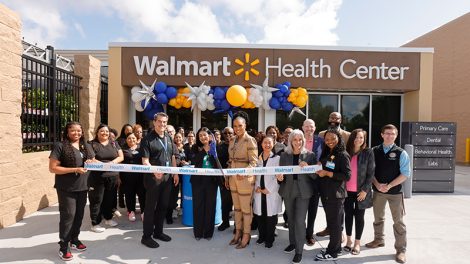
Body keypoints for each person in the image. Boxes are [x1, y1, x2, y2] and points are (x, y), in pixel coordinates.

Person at [49, 122, 95, 261]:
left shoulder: (85, 145)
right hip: (66, 188)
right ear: (67, 132)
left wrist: (94, 162)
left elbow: (92, 159)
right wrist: (75, 169)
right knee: (68, 216)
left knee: (79, 216)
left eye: (79, 131)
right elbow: (53, 168)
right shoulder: (60, 146)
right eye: (73, 131)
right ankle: (64, 247)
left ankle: (74, 240)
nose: (76, 133)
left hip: (83, 186)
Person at [365, 124, 410, 264]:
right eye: (387, 133)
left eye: (393, 134)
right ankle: (379, 240)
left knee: (399, 222)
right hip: (378, 191)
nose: (390, 136)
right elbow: (369, 171)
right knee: (378, 218)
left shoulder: (401, 153)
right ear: (382, 135)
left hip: (395, 193)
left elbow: (405, 174)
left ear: (396, 136)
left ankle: (401, 250)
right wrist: (377, 184)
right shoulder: (374, 151)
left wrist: (389, 185)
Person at [140, 112, 179, 249]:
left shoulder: (168, 137)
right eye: (160, 122)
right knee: (150, 208)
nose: (162, 124)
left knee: (163, 206)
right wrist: (153, 170)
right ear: (154, 122)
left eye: (164, 122)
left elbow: (172, 156)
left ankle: (158, 232)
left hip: (167, 177)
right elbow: (145, 161)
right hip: (153, 179)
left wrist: (175, 173)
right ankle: (146, 236)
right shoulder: (147, 139)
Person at [277, 129, 316, 264]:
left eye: (300, 140)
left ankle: (299, 251)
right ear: (290, 141)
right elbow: (280, 175)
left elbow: (315, 176)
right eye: (295, 139)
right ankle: (292, 242)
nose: (298, 142)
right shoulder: (284, 155)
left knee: (299, 220)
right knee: (291, 219)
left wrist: (308, 167)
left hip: (303, 191)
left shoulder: (310, 155)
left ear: (303, 141)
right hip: (288, 189)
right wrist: (279, 177)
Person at [315, 129, 351, 261]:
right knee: (332, 223)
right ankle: (336, 248)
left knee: (335, 224)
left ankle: (333, 252)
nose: (330, 141)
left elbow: (347, 175)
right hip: (326, 193)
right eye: (327, 139)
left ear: (339, 138)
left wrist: (328, 173)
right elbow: (327, 167)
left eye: (332, 138)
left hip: (336, 195)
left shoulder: (343, 154)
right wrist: (320, 165)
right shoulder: (328, 152)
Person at [317, 112, 351, 237]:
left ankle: (338, 234)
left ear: (341, 120)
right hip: (326, 182)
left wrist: (330, 172)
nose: (334, 120)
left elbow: (347, 173)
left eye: (337, 118)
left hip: (338, 179)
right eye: (331, 117)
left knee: (337, 212)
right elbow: (323, 152)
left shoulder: (347, 135)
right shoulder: (321, 134)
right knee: (329, 210)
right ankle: (329, 228)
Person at [227, 111, 258, 249]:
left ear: (245, 125)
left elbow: (254, 162)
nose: (237, 128)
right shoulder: (232, 140)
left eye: (240, 125)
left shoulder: (250, 140)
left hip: (245, 179)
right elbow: (230, 160)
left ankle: (246, 234)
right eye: (235, 126)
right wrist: (228, 177)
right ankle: (237, 232)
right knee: (237, 208)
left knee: (246, 209)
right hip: (233, 178)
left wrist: (245, 172)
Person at [344, 129, 375, 255]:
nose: (358, 140)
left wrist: (365, 190)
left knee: (359, 217)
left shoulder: (368, 152)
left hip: (361, 192)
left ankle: (357, 243)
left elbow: (371, 173)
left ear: (364, 139)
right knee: (348, 216)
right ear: (352, 138)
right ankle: (349, 240)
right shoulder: (346, 152)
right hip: (346, 192)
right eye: (356, 137)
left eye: (361, 137)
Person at [88, 124, 124, 233]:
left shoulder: (114, 143)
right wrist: (104, 165)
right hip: (97, 177)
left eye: (107, 131)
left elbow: (121, 156)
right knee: (97, 200)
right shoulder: (91, 144)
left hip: (112, 176)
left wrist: (112, 163)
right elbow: (92, 158)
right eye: (102, 131)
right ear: (97, 133)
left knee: (110, 199)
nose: (105, 133)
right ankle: (95, 223)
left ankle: (108, 218)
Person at [190, 127, 221, 240]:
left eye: (205, 135)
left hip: (211, 182)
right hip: (198, 182)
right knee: (198, 206)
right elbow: (194, 161)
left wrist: (213, 152)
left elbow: (218, 164)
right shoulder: (195, 148)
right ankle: (198, 233)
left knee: (210, 206)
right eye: (200, 135)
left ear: (209, 136)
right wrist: (204, 151)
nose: (203, 137)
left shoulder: (216, 148)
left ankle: (208, 233)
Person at [253, 136, 281, 249]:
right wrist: (257, 188)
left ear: (273, 144)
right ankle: (262, 237)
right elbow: (254, 175)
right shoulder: (257, 159)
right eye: (265, 142)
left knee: (270, 218)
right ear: (261, 144)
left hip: (271, 192)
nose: (267, 145)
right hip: (259, 191)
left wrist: (268, 189)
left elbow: (278, 177)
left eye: (269, 143)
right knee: (260, 216)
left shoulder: (277, 158)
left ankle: (269, 239)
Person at [302, 119, 324, 246]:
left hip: (315, 180)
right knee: (300, 209)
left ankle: (309, 234)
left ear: (315, 128)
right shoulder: (298, 139)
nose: (309, 129)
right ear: (302, 127)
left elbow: (327, 155)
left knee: (312, 208)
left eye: (311, 126)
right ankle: (300, 232)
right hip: (300, 180)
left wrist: (322, 163)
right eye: (306, 126)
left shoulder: (320, 141)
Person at [121, 132, 146, 222]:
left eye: (133, 138)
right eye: (129, 138)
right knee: (129, 195)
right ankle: (131, 211)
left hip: (141, 176)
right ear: (126, 140)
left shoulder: (141, 148)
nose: (132, 140)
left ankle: (143, 212)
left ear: (137, 139)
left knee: (142, 194)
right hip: (127, 177)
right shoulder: (123, 149)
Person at [217, 127, 233, 231]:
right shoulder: (219, 147)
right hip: (223, 179)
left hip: (237, 178)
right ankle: (225, 222)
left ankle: (238, 225)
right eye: (225, 133)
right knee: (225, 202)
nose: (228, 135)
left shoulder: (237, 145)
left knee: (238, 203)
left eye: (230, 133)